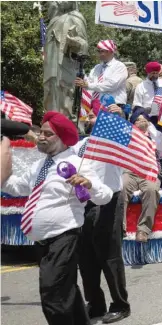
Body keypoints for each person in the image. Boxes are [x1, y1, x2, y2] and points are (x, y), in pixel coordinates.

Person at [2, 112, 113, 325]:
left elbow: (105, 196)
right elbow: (17, 187)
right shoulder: (39, 166)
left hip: (64, 238)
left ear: (61, 138)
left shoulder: (78, 163)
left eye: (47, 133)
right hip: (42, 242)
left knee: (53, 296)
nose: (40, 136)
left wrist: (88, 183)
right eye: (40, 132)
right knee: (68, 291)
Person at [73, 107, 131, 323]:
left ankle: (120, 304)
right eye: (89, 116)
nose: (91, 119)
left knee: (109, 255)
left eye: (95, 115)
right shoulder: (81, 145)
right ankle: (96, 305)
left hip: (110, 201)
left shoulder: (114, 141)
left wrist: (121, 117)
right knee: (86, 257)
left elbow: (128, 138)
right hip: (85, 203)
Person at [120, 108, 162, 243]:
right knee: (122, 188)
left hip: (150, 172)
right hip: (130, 171)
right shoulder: (127, 134)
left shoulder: (154, 135)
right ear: (133, 123)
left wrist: (150, 128)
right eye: (138, 119)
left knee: (151, 190)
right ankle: (120, 227)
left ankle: (143, 230)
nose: (141, 122)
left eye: (144, 119)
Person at [43, 1, 88, 117]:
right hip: (50, 65)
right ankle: (51, 120)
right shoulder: (53, 21)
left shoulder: (76, 17)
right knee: (50, 93)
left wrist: (73, 42)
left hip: (65, 65)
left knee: (64, 95)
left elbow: (84, 46)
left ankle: (62, 122)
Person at [75, 40, 128, 107]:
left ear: (110, 51)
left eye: (102, 51)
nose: (99, 54)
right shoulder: (97, 67)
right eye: (98, 51)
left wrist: (88, 85)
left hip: (113, 105)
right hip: (96, 104)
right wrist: (82, 82)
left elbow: (111, 85)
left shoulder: (119, 66)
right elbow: (89, 82)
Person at [133, 61, 162, 132]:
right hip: (149, 118)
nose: (154, 75)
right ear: (148, 73)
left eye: (156, 73)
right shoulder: (141, 86)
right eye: (152, 73)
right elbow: (137, 104)